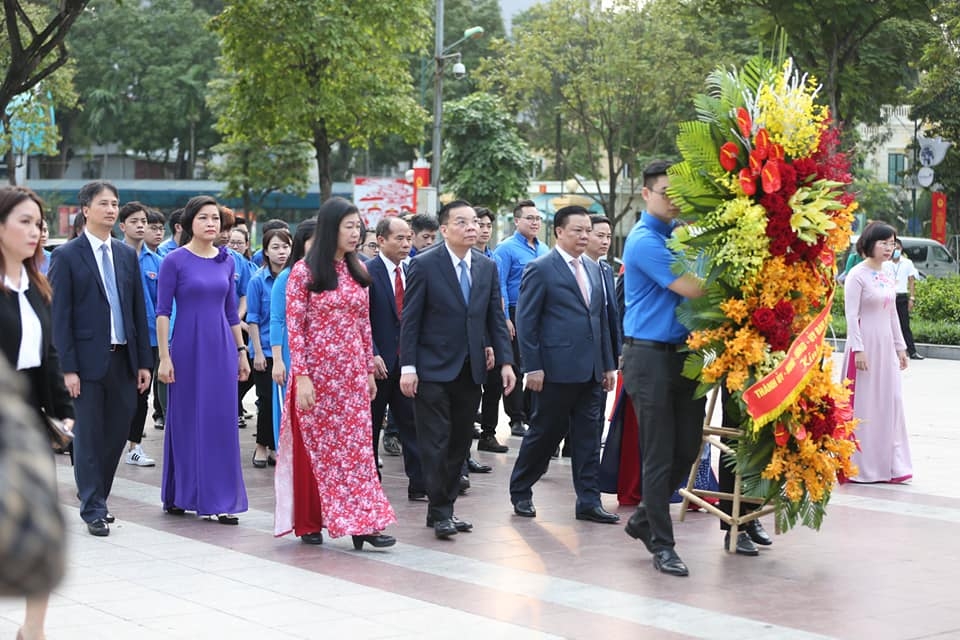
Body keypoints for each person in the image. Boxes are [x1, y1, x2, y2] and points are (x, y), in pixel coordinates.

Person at [275, 198, 396, 550]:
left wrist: (369, 370)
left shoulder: (358, 269)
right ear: (331, 228)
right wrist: (302, 377)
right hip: (316, 378)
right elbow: (295, 329)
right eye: (349, 227)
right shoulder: (304, 272)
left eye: (358, 226)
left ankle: (364, 524)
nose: (356, 233)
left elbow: (363, 324)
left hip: (353, 378)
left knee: (357, 453)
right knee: (315, 450)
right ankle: (310, 523)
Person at [400, 199, 515, 539]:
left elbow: (495, 315)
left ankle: (443, 507)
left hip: (470, 369)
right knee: (435, 441)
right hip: (431, 368)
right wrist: (408, 367)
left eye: (475, 223)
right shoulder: (423, 264)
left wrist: (506, 361)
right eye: (462, 222)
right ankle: (441, 511)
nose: (472, 228)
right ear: (445, 229)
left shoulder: (485, 266)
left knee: (460, 442)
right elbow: (411, 321)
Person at [50, 180, 153, 538]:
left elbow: (138, 311)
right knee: (89, 438)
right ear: (86, 209)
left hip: (124, 361)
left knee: (116, 435)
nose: (112, 209)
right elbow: (59, 318)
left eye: (115, 203)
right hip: (86, 365)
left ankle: (98, 497)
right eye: (104, 204)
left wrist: (143, 363)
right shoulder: (66, 256)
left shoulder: (126, 255)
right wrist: (68, 368)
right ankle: (93, 507)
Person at [620, 161, 706, 577]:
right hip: (648, 355)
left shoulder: (678, 234)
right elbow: (693, 287)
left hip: (683, 355)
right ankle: (662, 544)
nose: (673, 200)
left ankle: (642, 520)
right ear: (645, 194)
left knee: (687, 448)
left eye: (679, 193)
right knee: (657, 453)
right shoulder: (643, 240)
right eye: (665, 192)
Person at [509, 205, 618, 522]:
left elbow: (601, 320)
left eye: (588, 230)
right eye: (578, 230)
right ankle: (521, 490)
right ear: (558, 231)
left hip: (592, 371)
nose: (585, 236)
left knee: (587, 438)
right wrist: (532, 367)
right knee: (544, 433)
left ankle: (588, 501)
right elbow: (526, 321)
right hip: (554, 370)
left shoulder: (597, 269)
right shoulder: (541, 268)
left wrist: (609, 365)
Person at [0, 186, 75, 640]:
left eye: (39, 223)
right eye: (24, 221)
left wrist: (64, 413)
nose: (35, 231)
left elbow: (48, 355)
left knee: (37, 524)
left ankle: (34, 630)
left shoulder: (36, 287)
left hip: (29, 419)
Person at [156, 195, 250, 524]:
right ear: (189, 224)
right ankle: (182, 493)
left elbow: (230, 313)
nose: (211, 224)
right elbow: (163, 312)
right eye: (203, 218)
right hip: (185, 347)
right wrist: (164, 356)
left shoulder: (228, 261)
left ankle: (221, 499)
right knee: (184, 420)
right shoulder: (174, 261)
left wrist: (241, 353)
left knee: (221, 422)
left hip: (221, 347)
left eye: (215, 219)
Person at [843, 221, 912, 483]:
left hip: (886, 346)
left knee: (891, 401)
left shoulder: (889, 272)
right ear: (869, 243)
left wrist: (900, 347)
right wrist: (858, 349)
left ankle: (892, 465)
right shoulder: (857, 275)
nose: (888, 248)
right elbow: (851, 315)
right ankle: (859, 464)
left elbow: (893, 312)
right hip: (865, 347)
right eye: (883, 243)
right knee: (865, 404)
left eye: (892, 243)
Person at [367, 216, 426, 500]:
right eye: (399, 239)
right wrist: (373, 353)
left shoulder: (416, 270)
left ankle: (419, 483)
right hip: (377, 366)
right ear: (381, 240)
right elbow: (360, 319)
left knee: (413, 425)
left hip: (409, 364)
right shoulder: (366, 272)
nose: (406, 244)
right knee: (370, 427)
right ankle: (370, 484)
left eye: (409, 238)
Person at [493, 200, 549, 437]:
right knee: (514, 364)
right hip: (516, 312)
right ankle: (515, 418)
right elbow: (500, 285)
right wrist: (505, 318)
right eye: (530, 218)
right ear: (517, 221)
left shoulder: (545, 249)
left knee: (537, 363)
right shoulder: (505, 249)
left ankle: (528, 411)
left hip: (541, 314)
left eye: (538, 219)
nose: (535, 222)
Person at [118, 201, 159, 467]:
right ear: (122, 226)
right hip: (120, 338)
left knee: (142, 394)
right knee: (118, 392)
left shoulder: (157, 261)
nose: (141, 225)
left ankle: (135, 446)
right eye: (134, 221)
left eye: (143, 221)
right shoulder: (113, 255)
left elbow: (164, 304)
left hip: (151, 338)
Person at [247, 227, 292, 468]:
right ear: (265, 251)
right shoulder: (257, 280)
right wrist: (257, 351)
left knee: (283, 401)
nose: (281, 252)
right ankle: (261, 446)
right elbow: (253, 318)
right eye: (275, 247)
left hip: (288, 350)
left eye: (285, 246)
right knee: (265, 400)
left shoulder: (294, 278)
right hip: (264, 349)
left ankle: (277, 445)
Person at [270, 219, 316, 449]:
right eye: (313, 242)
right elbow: (277, 320)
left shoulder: (328, 274)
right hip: (292, 351)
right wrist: (278, 360)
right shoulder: (287, 276)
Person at [474, 206, 509, 453]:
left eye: (488, 226)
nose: (484, 230)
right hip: (472, 332)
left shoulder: (493, 258)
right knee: (472, 387)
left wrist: (504, 319)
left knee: (494, 384)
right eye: (480, 225)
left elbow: (499, 297)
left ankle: (488, 433)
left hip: (492, 327)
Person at [884, 238, 923, 360]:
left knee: (905, 325)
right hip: (888, 297)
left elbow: (911, 280)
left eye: (898, 248)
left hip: (901, 297)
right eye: (893, 248)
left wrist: (912, 297)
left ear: (901, 249)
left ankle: (912, 352)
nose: (896, 250)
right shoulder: (884, 263)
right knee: (887, 325)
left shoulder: (907, 262)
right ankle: (888, 352)